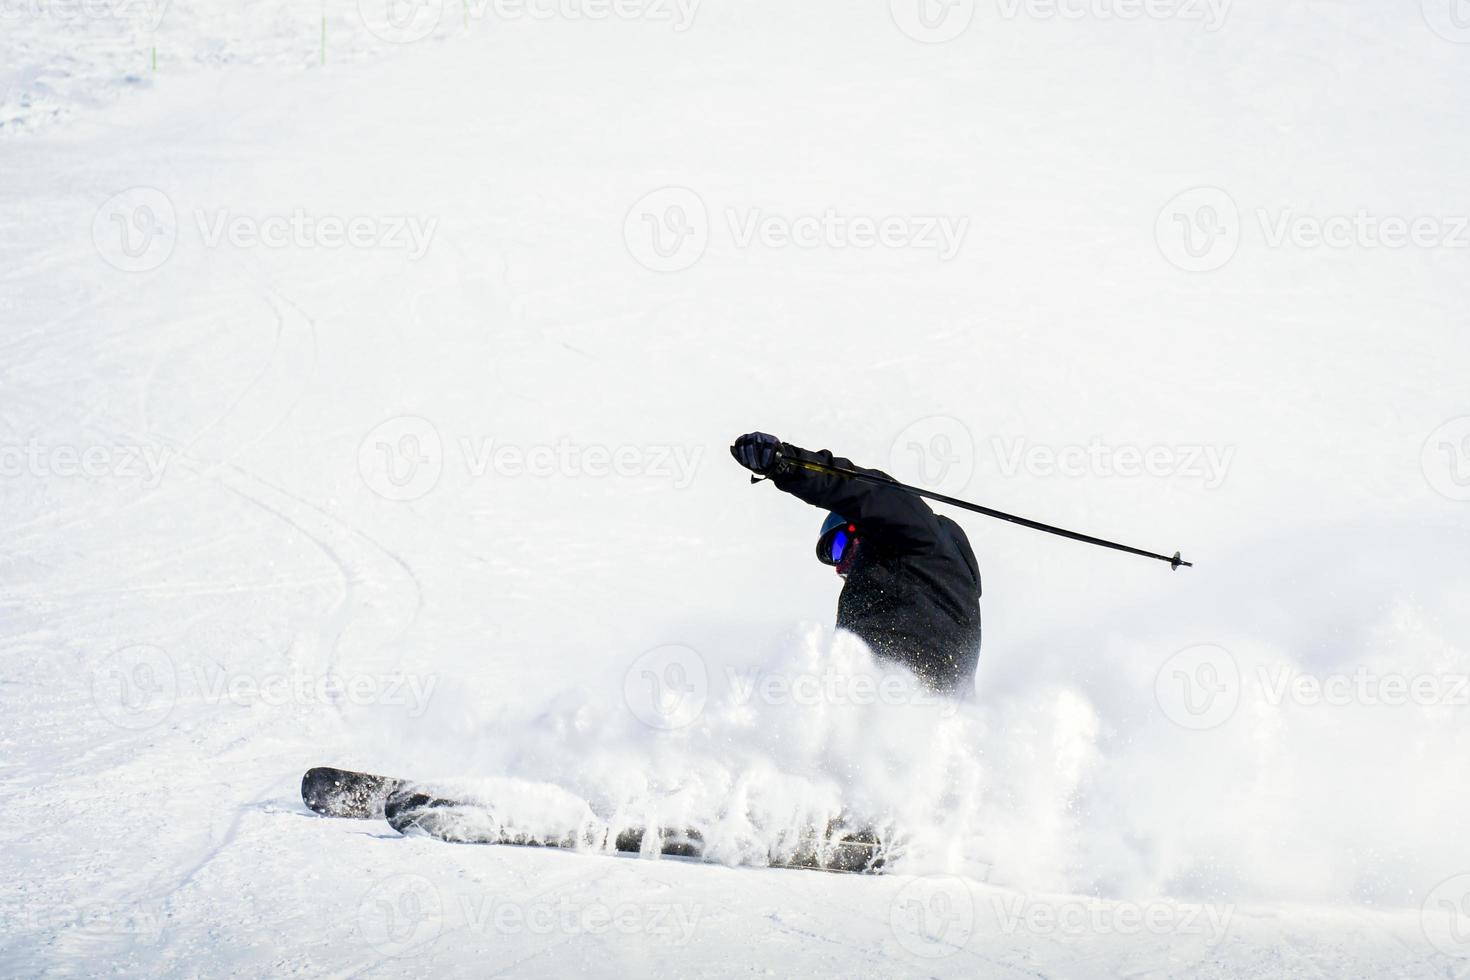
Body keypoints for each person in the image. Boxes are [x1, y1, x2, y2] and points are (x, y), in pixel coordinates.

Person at [730, 432, 982, 695]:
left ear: (866, 525)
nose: (840, 567)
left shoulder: (918, 535)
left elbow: (862, 491)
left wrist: (786, 464)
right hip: (911, 704)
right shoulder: (926, 578)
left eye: (840, 545)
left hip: (896, 686)